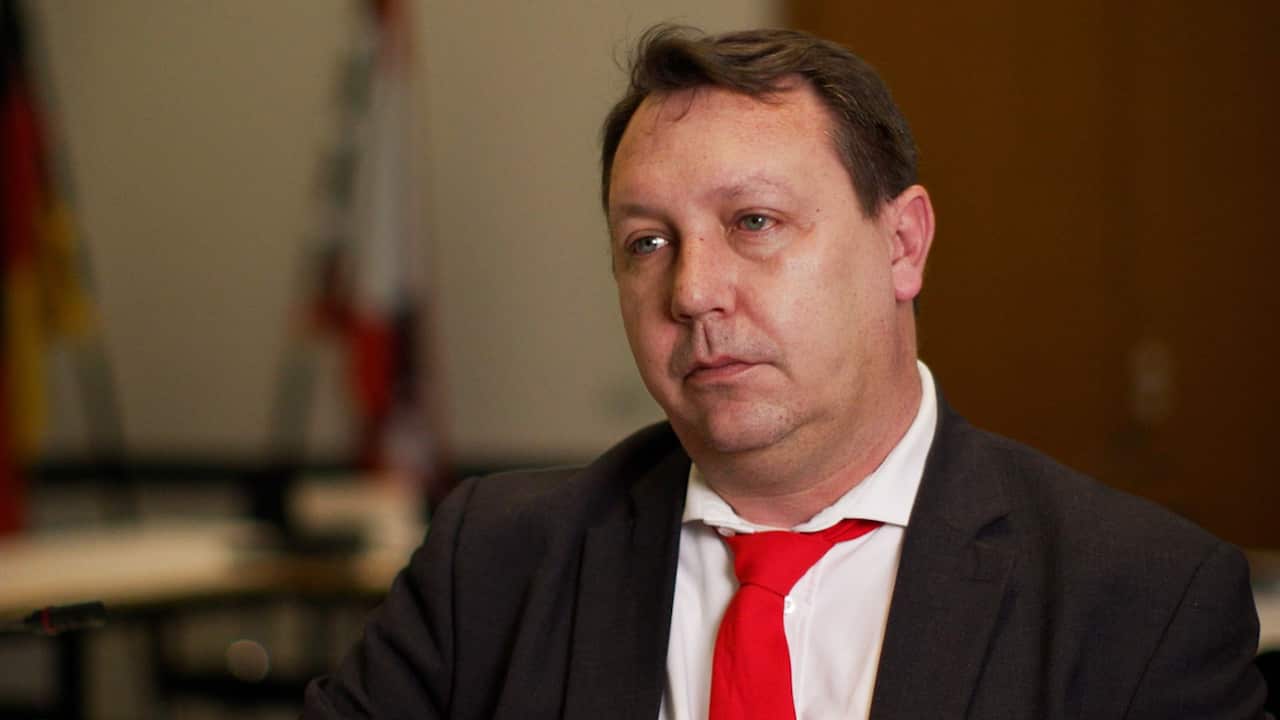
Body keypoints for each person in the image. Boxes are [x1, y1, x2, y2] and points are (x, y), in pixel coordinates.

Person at [302, 25, 1269, 719]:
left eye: (753, 223)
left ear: (902, 243)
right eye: (647, 242)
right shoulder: (494, 564)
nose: (693, 291)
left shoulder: (1142, 597)